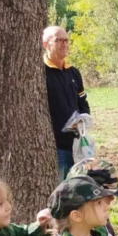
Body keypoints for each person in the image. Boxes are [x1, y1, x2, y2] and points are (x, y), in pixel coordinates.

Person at [42, 26, 91, 182]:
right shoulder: (40, 73)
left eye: (66, 40)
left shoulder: (74, 72)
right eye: (58, 40)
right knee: (62, 191)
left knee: (77, 187)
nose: (64, 44)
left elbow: (82, 101)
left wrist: (84, 118)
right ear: (45, 44)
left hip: (78, 144)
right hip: (56, 147)